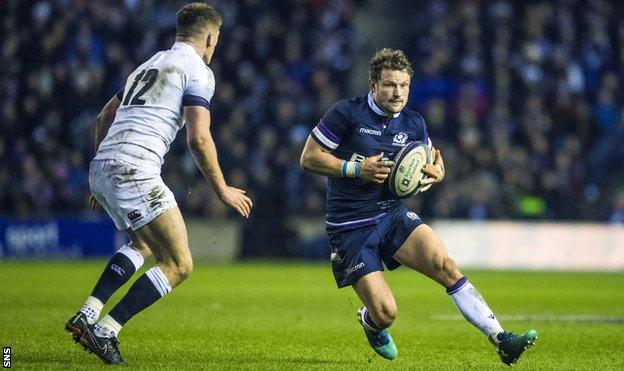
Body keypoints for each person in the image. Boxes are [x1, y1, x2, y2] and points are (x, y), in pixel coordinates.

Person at [299, 48, 537, 365]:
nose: (397, 93)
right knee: (386, 313)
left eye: (403, 85)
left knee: (446, 266)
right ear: (373, 86)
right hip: (350, 226)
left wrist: (438, 173)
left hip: (392, 214)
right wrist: (357, 169)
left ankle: (501, 339)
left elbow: (429, 161)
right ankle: (371, 322)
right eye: (389, 85)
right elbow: (309, 158)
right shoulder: (346, 114)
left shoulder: (413, 123)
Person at [65, 3, 253, 365]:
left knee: (143, 244)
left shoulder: (148, 63)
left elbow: (104, 116)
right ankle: (106, 331)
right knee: (179, 264)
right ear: (211, 37)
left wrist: (101, 170)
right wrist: (222, 189)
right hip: (135, 169)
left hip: (103, 166)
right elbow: (199, 138)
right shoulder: (198, 70)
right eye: (217, 40)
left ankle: (88, 312)